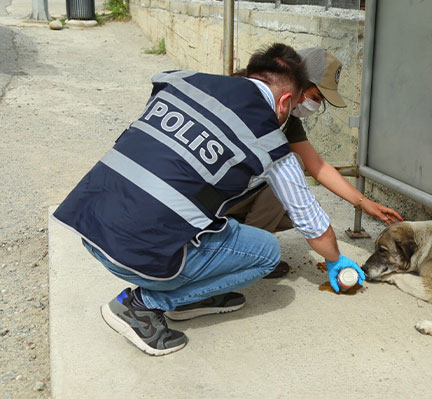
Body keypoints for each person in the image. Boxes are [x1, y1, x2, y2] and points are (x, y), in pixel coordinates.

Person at [52, 43, 366, 356]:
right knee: (266, 252)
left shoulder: (183, 81)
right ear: (286, 100)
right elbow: (310, 221)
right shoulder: (270, 139)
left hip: (90, 223)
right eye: (305, 100)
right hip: (136, 250)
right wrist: (335, 259)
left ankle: (192, 296)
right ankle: (140, 306)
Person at [226, 47, 404, 278]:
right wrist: (333, 255)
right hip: (210, 193)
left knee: (291, 210)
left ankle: (235, 240)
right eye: (316, 97)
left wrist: (363, 202)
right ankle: (243, 256)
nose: (314, 106)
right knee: (289, 169)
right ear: (297, 82)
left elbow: (318, 166)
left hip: (221, 190)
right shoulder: (248, 98)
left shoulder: (286, 117)